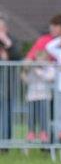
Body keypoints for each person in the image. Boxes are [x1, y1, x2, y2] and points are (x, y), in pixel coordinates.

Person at [22, 50, 54, 143]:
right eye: (37, 59)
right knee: (31, 116)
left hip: (44, 96)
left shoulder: (50, 68)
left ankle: (43, 133)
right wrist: (24, 76)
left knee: (43, 116)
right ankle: (31, 133)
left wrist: (40, 72)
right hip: (32, 96)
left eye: (42, 60)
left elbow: (50, 77)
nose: (39, 62)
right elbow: (29, 81)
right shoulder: (32, 68)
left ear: (46, 60)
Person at [0, 14, 20, 144]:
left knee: (6, 113)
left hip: (7, 85)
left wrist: (8, 44)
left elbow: (17, 57)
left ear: (6, 28)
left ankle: (4, 143)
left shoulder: (13, 41)